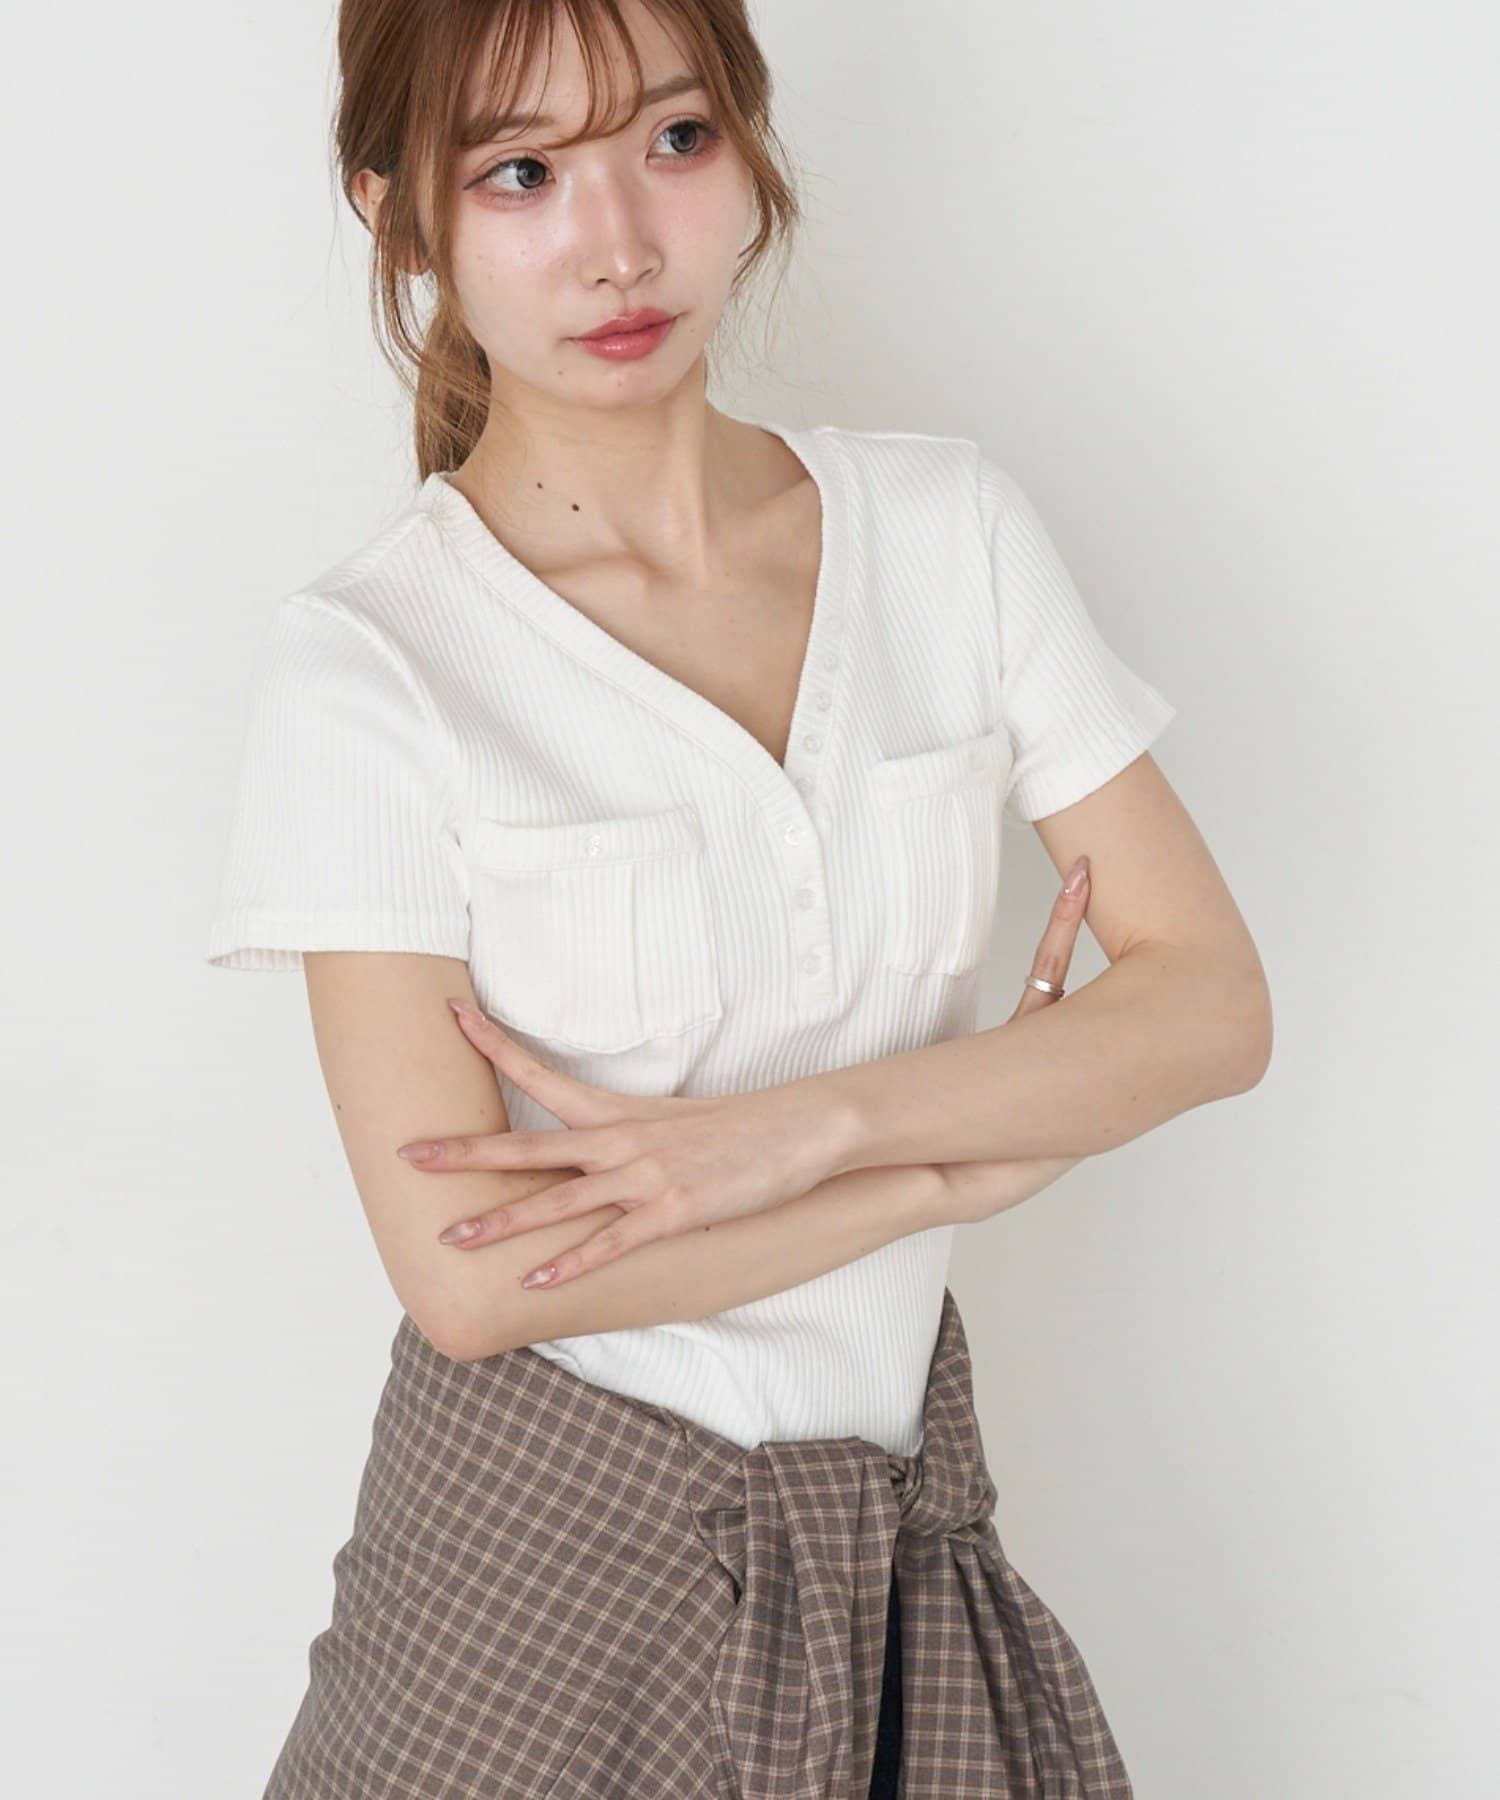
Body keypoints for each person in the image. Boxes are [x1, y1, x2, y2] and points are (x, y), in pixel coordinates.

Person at [205, 1, 1273, 1793]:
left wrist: (805, 1132)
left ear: (751, 149)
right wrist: (951, 1172)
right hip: (532, 1594)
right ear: (400, 214)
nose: (620, 243)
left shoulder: (944, 535)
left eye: (676, 141)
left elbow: (1212, 1001)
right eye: (523, 174)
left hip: (892, 1565)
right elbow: (475, 1288)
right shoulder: (374, 662)